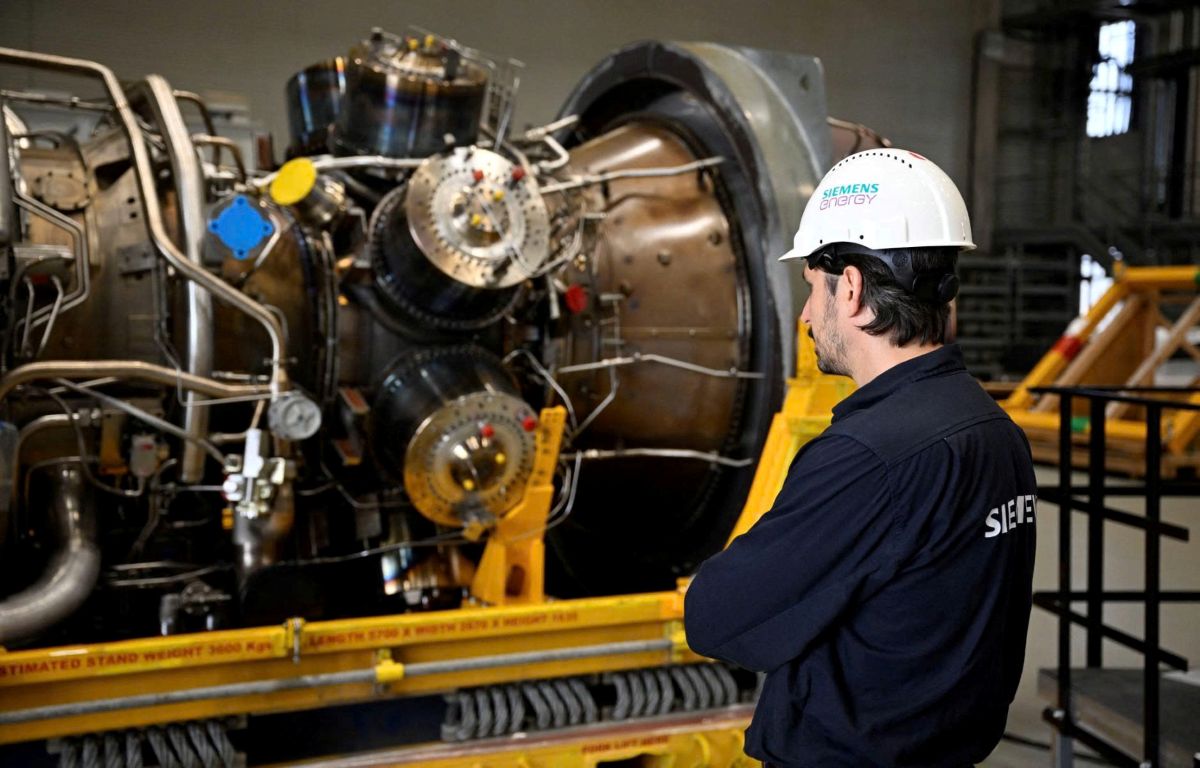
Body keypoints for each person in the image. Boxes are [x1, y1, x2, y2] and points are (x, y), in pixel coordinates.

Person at [684, 149, 1037, 768]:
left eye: (811, 291)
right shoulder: (993, 427)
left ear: (849, 290)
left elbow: (715, 616)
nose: (804, 315)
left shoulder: (867, 458)